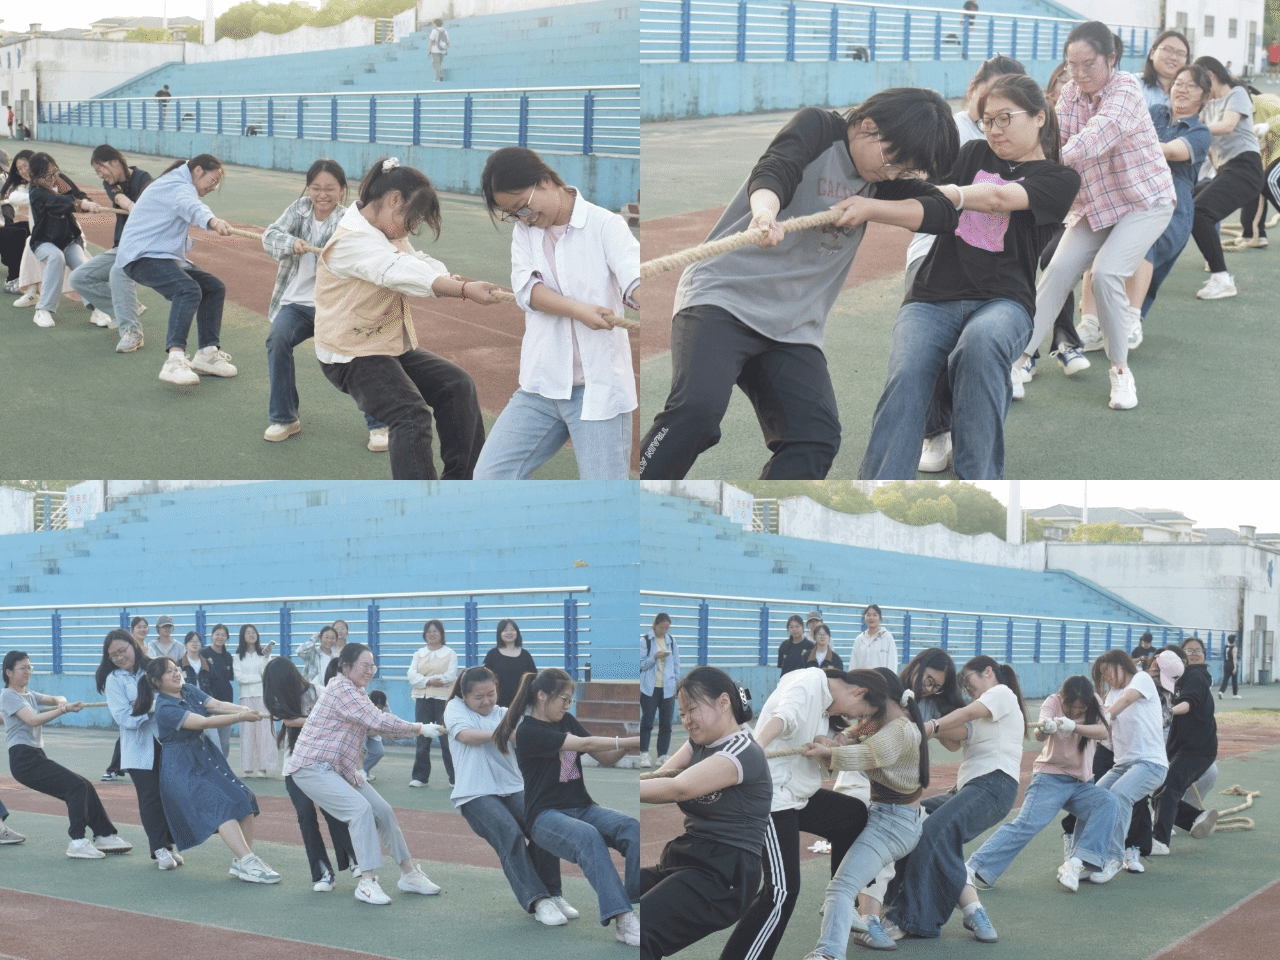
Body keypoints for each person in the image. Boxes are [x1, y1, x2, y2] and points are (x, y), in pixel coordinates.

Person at [637, 88, 961, 480]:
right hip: (724, 298)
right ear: (868, 127)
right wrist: (764, 214)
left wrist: (870, 207)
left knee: (815, 438)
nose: (894, 174)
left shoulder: (883, 179)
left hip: (792, 328)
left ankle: (762, 515)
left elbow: (943, 214)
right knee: (696, 412)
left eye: (904, 170)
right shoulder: (820, 129)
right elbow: (776, 168)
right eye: (893, 160)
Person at [859, 74, 1081, 477]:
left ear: (1039, 117)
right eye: (987, 120)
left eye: (1004, 118)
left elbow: (998, 198)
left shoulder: (1060, 179)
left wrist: (952, 194)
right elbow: (928, 204)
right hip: (932, 296)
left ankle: (978, 489)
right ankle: (877, 494)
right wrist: (872, 200)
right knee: (907, 375)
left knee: (981, 343)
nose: (994, 130)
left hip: (1004, 302)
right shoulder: (973, 153)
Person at [1017, 22, 1175, 411]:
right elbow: (1053, 139)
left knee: (1105, 274)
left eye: (1088, 65)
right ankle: (1018, 361)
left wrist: (1041, 161)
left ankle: (1120, 371)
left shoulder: (1127, 90)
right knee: (1056, 270)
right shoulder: (1069, 95)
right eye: (1072, 65)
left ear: (1111, 59)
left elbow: (1096, 136)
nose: (1079, 73)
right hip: (1097, 206)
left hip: (1145, 202)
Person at [313, 157, 501, 480]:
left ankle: (463, 485)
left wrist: (447, 278)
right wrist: (462, 290)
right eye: (412, 219)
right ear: (394, 200)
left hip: (385, 346)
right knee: (410, 414)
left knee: (457, 386)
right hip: (350, 355)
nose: (412, 228)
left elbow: (415, 259)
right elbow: (395, 270)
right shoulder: (351, 240)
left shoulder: (385, 230)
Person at [473, 147, 639, 479]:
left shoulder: (605, 225)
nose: (523, 218)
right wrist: (579, 310)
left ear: (546, 181)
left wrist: (643, 293)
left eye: (522, 207)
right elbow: (528, 291)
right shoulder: (525, 232)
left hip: (597, 391)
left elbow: (633, 276)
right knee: (490, 478)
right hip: (541, 387)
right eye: (512, 214)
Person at [905, 55, 1033, 472]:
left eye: (1006, 105)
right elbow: (925, 188)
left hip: (990, 263)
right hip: (934, 251)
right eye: (989, 92)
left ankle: (974, 448)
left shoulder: (1018, 143)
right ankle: (935, 430)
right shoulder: (955, 130)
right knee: (928, 352)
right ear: (974, 90)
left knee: (979, 346)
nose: (994, 111)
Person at [718, 666, 873, 960]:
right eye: (859, 713)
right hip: (772, 798)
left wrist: (829, 744)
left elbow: (816, 744)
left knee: (852, 814)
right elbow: (784, 716)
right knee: (781, 892)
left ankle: (838, 899)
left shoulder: (825, 706)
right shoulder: (809, 682)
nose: (853, 718)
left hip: (796, 796)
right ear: (858, 692)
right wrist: (755, 749)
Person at [883, 656, 1027, 943]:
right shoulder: (983, 714)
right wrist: (922, 725)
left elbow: (960, 719)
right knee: (911, 818)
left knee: (935, 832)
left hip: (993, 784)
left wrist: (930, 726)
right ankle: (972, 910)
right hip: (970, 787)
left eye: (968, 681)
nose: (967, 689)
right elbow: (955, 737)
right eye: (963, 687)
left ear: (988, 672)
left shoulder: (1000, 694)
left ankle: (909, 918)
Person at [286, 643, 443, 905]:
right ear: (346, 667)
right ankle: (367, 882)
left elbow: (373, 728)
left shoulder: (356, 692)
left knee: (383, 810)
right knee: (360, 810)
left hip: (339, 769)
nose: (370, 671)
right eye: (365, 666)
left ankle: (409, 874)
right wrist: (418, 728)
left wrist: (414, 729)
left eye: (373, 666)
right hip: (311, 768)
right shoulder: (341, 689)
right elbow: (378, 721)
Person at [496, 668, 642, 945]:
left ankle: (633, 901)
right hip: (545, 817)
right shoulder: (528, 731)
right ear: (542, 696)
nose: (567, 705)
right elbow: (586, 743)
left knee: (631, 828)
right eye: (563, 699)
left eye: (570, 700)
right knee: (588, 836)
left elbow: (605, 758)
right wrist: (629, 740)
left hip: (582, 807)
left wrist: (627, 746)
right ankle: (623, 918)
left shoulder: (567, 721)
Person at [640, 667, 771, 960]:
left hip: (724, 873)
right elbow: (657, 779)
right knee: (617, 890)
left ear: (723, 702)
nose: (686, 720)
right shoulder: (698, 743)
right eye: (682, 713)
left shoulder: (742, 751)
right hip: (689, 857)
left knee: (643, 929)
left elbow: (678, 788)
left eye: (692, 710)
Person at [799, 667, 928, 958]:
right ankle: (856, 925)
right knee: (843, 884)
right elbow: (855, 735)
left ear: (873, 695)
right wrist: (838, 740)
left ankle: (830, 953)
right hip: (887, 817)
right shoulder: (880, 720)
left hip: (895, 824)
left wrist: (830, 753)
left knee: (841, 888)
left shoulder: (900, 729)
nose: (853, 711)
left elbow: (872, 754)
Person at [261, 159, 389, 450]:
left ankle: (379, 424)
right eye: (316, 188)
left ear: (342, 190)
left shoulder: (348, 220)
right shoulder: (299, 209)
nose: (322, 195)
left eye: (330, 188)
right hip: (295, 304)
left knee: (357, 354)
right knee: (277, 339)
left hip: (334, 305)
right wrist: (291, 243)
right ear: (308, 189)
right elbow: (270, 237)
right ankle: (284, 418)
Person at [445, 665, 577, 926]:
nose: (486, 701)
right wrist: (507, 734)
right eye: (478, 697)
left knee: (545, 826)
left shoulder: (506, 714)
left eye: (491, 694)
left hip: (514, 787)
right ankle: (539, 900)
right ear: (465, 696)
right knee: (509, 833)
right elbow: (466, 736)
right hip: (474, 793)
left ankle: (553, 893)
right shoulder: (455, 708)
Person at [966, 675, 1121, 893]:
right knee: (1027, 824)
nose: (1076, 711)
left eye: (1081, 708)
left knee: (1109, 803)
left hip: (1082, 783)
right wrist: (1046, 728)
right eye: (1072, 707)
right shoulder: (1052, 702)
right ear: (1062, 698)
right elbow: (1038, 734)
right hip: (1050, 778)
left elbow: (1103, 731)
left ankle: (1075, 864)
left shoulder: (1095, 701)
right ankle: (973, 867)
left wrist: (1073, 726)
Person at [132, 657, 279, 880]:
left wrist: (243, 708)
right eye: (169, 671)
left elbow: (216, 705)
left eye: (176, 669)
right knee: (220, 805)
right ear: (156, 681)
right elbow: (202, 722)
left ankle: (243, 861)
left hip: (204, 757)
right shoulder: (165, 707)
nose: (176, 673)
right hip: (181, 767)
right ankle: (249, 862)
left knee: (244, 798)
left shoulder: (188, 690)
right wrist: (241, 717)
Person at [115, 154, 237, 386]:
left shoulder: (179, 182)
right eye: (213, 180)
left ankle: (207, 354)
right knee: (187, 290)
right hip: (141, 255)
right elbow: (191, 206)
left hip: (161, 254)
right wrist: (212, 221)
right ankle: (174, 360)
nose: (214, 187)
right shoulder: (178, 185)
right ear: (198, 171)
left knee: (213, 287)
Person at [2, 650, 132, 860]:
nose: (28, 671)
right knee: (76, 787)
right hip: (23, 759)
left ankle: (105, 835)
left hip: (35, 755)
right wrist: (63, 710)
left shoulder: (29, 694)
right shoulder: (8, 695)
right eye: (22, 668)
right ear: (9, 672)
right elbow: (32, 720)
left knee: (85, 785)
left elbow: (56, 698)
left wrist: (61, 702)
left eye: (29, 667)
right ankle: (77, 842)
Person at [261, 656, 358, 892]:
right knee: (305, 814)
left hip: (322, 765)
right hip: (295, 766)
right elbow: (290, 722)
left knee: (332, 811)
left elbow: (337, 718)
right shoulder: (281, 699)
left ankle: (352, 857)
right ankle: (322, 871)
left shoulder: (319, 692)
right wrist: (318, 720)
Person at [96, 629, 184, 869]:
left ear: (133, 645)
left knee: (171, 795)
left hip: (167, 742)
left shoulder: (155, 667)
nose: (119, 657)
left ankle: (169, 844)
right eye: (113, 655)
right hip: (138, 748)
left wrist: (141, 705)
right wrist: (153, 706)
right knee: (150, 797)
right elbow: (124, 717)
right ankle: (159, 849)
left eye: (122, 651)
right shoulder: (114, 680)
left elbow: (177, 691)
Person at [1088, 649, 1170, 880]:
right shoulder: (1111, 694)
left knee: (1120, 794)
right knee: (1094, 798)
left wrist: (1102, 718)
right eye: (1102, 675)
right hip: (1123, 764)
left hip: (1151, 763)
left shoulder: (1141, 679)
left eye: (1106, 671)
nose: (1105, 677)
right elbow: (1104, 728)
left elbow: (1124, 702)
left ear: (1120, 665)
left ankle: (1114, 858)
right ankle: (1087, 858)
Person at [1189, 57, 1265, 301]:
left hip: (1246, 167)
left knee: (1200, 212)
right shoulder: (1208, 105)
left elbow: (1228, 125)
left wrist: (1194, 130)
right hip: (1225, 170)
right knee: (1187, 201)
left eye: (1200, 83)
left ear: (1210, 75)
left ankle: (1221, 279)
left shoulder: (1237, 93)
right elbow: (1198, 130)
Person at [67, 144, 152, 353]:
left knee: (118, 272)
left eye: (100, 169)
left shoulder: (143, 178)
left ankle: (132, 332)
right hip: (122, 246)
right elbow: (119, 198)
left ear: (114, 161)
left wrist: (139, 209)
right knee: (78, 278)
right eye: (96, 172)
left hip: (143, 247)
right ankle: (127, 309)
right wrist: (132, 207)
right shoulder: (110, 183)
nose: (100, 175)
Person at [1152, 636, 1217, 854]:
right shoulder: (1173, 679)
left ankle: (1159, 840)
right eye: (1190, 650)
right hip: (1182, 748)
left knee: (1168, 790)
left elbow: (1189, 702)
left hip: (1198, 749)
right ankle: (1196, 817)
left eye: (1198, 650)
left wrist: (1167, 713)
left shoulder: (1195, 676)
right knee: (1159, 795)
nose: (1195, 653)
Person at [25, 152, 104, 329]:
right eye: (48, 176)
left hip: (69, 239)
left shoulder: (59, 180)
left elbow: (77, 194)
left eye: (55, 172)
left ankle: (97, 309)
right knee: (55, 257)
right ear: (37, 178)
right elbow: (57, 201)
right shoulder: (36, 192)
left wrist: (87, 202)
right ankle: (43, 310)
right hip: (43, 242)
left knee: (82, 265)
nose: (54, 178)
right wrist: (81, 204)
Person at [407, 619, 457, 787]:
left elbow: (450, 676)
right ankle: (420, 777)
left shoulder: (450, 653)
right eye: (429, 631)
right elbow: (412, 676)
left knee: (446, 739)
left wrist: (426, 680)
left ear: (441, 634)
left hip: (443, 701)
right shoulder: (418, 654)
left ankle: (455, 778)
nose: (432, 634)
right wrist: (429, 682)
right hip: (422, 699)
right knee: (422, 738)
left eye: (435, 631)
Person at [232, 624, 278, 778]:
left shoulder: (264, 655)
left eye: (254, 632)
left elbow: (267, 674)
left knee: (264, 732)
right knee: (247, 733)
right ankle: (247, 768)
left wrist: (266, 658)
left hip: (262, 696)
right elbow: (240, 678)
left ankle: (263, 768)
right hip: (245, 697)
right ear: (242, 636)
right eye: (248, 632)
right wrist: (259, 677)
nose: (251, 635)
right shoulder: (237, 657)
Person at [640, 612, 680, 768]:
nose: (664, 631)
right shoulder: (645, 641)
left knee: (666, 724)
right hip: (650, 688)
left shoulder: (672, 642)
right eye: (661, 628)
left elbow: (676, 664)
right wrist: (654, 657)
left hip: (668, 689)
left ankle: (662, 755)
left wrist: (676, 684)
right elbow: (641, 664)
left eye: (667, 628)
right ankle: (643, 754)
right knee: (647, 722)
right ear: (655, 625)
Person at [483, 618, 538, 708]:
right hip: (498, 704)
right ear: (500, 633)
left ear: (517, 632)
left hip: (522, 703)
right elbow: (485, 677)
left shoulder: (525, 655)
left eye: (512, 630)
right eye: (505, 630)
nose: (509, 633)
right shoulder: (492, 654)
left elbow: (534, 677)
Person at [202, 623, 236, 756]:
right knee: (210, 740)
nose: (220, 637)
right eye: (217, 634)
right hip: (209, 703)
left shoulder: (228, 656)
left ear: (227, 637)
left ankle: (222, 766)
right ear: (211, 636)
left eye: (223, 635)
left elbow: (229, 678)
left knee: (224, 742)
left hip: (226, 703)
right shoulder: (203, 654)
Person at [1140, 30, 1192, 108]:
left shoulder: (1191, 94)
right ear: (1152, 53)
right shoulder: (1133, 84)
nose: (1174, 57)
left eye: (1181, 54)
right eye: (1168, 50)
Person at [850, 603, 896, 671]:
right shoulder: (859, 639)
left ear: (880, 618)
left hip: (881, 677)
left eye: (875, 615)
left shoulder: (887, 637)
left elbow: (892, 662)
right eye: (868, 615)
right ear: (864, 617)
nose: (871, 618)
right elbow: (853, 663)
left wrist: (891, 677)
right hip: (863, 677)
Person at [364, 689, 387, 778]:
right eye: (375, 708)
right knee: (361, 750)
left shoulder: (386, 708)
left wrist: (377, 731)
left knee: (378, 753)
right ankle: (356, 773)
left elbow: (387, 722)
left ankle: (363, 771)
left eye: (380, 709)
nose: (377, 710)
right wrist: (365, 733)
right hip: (359, 730)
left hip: (374, 730)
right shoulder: (362, 703)